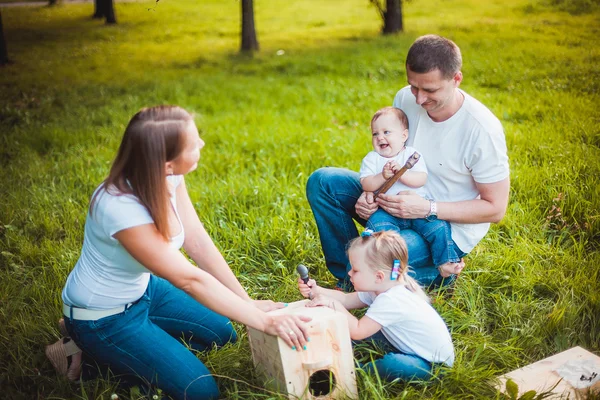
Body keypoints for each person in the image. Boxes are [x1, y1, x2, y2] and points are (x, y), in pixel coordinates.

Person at [48, 105, 310, 400]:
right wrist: (261, 321)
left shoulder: (167, 177)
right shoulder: (120, 209)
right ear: (166, 163)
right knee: (199, 390)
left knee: (224, 333)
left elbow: (196, 240)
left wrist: (246, 302)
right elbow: (189, 280)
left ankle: (139, 347)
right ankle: (88, 355)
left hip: (146, 290)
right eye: (193, 144)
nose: (202, 145)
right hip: (103, 318)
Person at [306, 34, 510, 290]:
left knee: (382, 257)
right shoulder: (405, 98)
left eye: (430, 90)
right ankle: (348, 277)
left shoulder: (482, 130)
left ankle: (436, 271)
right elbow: (393, 156)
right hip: (391, 203)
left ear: (456, 79)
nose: (419, 100)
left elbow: (495, 209)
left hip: (442, 227)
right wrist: (371, 193)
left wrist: (427, 208)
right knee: (323, 182)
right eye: (414, 87)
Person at [298, 229, 454, 381]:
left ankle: (351, 371)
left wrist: (334, 306)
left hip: (431, 364)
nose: (349, 273)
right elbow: (345, 300)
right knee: (348, 331)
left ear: (378, 276)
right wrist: (316, 290)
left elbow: (358, 330)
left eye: (355, 270)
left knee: (393, 365)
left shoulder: (392, 300)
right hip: (407, 344)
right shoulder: (381, 287)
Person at [361, 106, 463, 278]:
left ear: (404, 136)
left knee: (438, 227)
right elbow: (367, 184)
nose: (380, 137)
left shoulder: (411, 155)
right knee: (379, 232)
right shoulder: (372, 159)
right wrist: (382, 176)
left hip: (417, 211)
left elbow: (421, 179)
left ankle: (446, 262)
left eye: (386, 132)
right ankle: (384, 269)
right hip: (385, 212)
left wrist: (402, 173)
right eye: (375, 134)